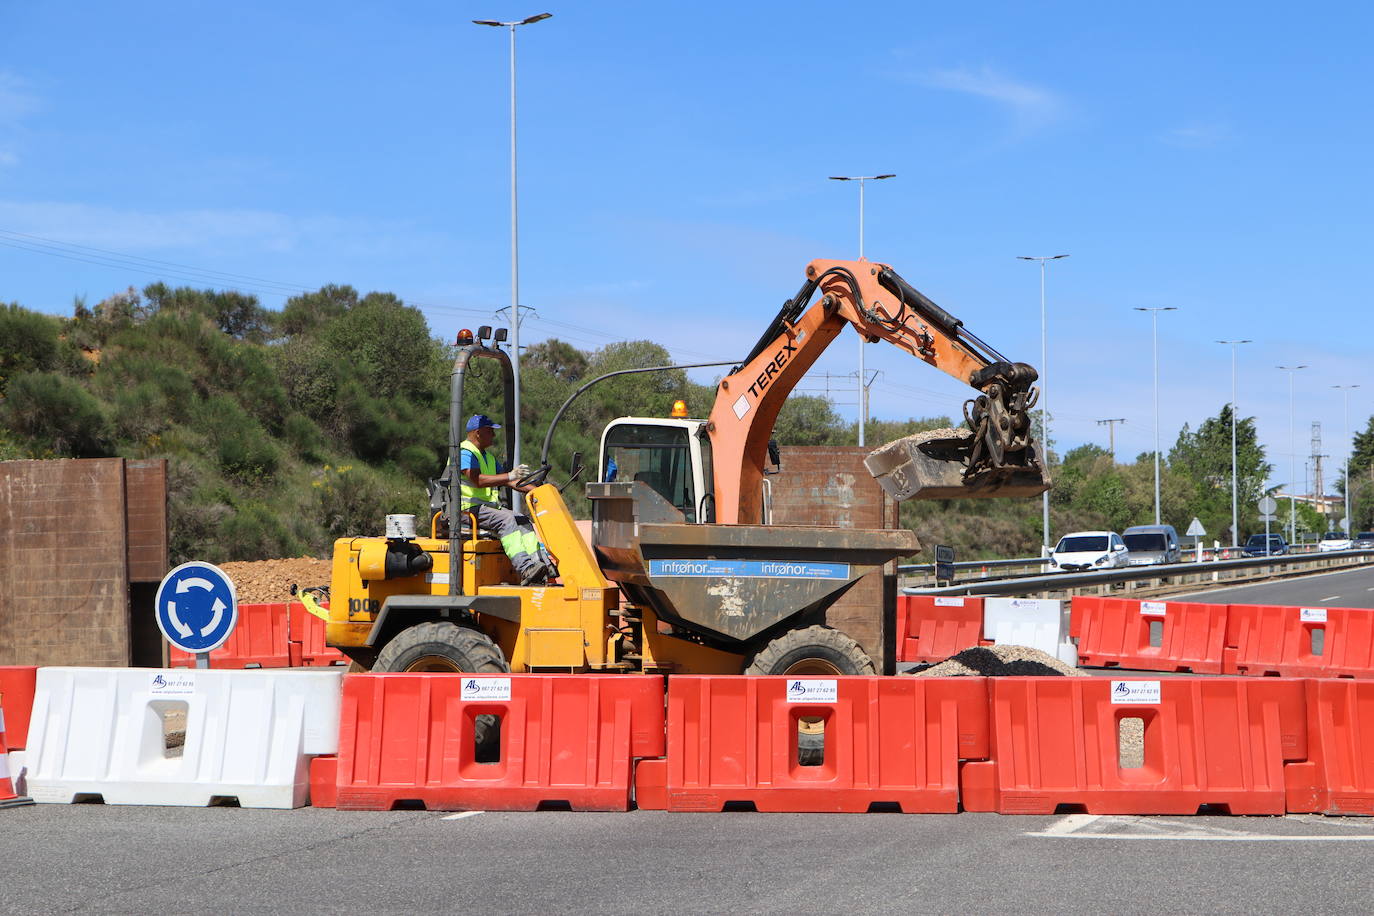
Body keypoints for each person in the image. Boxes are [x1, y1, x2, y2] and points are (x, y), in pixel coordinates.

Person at [457, 414, 549, 585]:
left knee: (522, 520)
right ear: (478, 433)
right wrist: (509, 475)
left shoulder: (488, 457)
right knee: (506, 520)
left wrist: (537, 492)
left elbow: (510, 481)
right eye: (490, 431)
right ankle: (525, 568)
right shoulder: (465, 453)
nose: (493, 435)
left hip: (483, 509)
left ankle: (541, 564)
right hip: (465, 509)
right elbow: (477, 481)